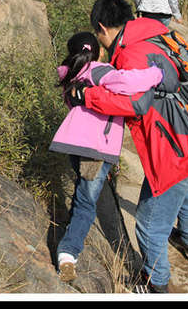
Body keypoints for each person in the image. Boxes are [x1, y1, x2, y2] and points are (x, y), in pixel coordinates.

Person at [70, 0, 188, 293]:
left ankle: (155, 285)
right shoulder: (156, 32)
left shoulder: (131, 54)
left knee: (149, 224)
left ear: (103, 28)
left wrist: (87, 96)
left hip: (174, 147)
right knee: (186, 190)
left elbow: (135, 103)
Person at [50, 31, 164, 283]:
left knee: (83, 194)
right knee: (85, 204)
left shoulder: (70, 74)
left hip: (72, 144)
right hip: (96, 148)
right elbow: (127, 82)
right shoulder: (97, 71)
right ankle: (68, 254)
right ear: (98, 52)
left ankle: (69, 244)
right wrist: (157, 73)